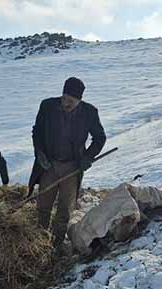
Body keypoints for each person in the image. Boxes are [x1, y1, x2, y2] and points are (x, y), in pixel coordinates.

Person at [29, 77, 106, 248]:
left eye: (70, 101)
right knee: (43, 204)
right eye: (64, 98)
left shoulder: (90, 113)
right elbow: (37, 132)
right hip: (49, 165)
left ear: (79, 100)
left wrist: (87, 157)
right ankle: (41, 239)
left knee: (65, 208)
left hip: (72, 167)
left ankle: (56, 242)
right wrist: (40, 153)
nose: (65, 103)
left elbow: (100, 138)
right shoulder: (47, 106)